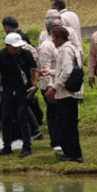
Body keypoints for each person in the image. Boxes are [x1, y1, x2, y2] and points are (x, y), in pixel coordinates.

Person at [44, 24, 84, 162]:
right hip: (70, 92)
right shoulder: (71, 48)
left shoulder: (66, 50)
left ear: (59, 38)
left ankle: (72, 154)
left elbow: (67, 71)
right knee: (68, 123)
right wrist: (51, 72)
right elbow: (65, 69)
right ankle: (73, 153)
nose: (53, 41)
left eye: (54, 38)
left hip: (66, 93)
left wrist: (54, 87)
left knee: (67, 124)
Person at [0, 33, 37, 157]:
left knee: (22, 118)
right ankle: (7, 146)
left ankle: (27, 146)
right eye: (15, 47)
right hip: (6, 90)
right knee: (6, 118)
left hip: (23, 89)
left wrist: (34, 84)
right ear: (8, 46)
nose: (18, 49)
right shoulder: (0, 56)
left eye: (19, 47)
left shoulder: (26, 54)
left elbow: (34, 69)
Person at [37, 16, 63, 152]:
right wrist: (49, 87)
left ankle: (61, 140)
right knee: (53, 115)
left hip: (58, 85)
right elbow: (44, 68)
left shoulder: (57, 44)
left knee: (59, 114)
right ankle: (55, 142)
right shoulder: (47, 46)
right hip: (50, 86)